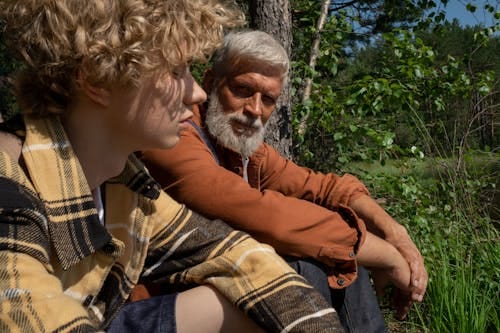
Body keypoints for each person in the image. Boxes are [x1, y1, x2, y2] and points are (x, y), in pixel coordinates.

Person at [0, 2, 345, 332]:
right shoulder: (9, 186)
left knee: (257, 301)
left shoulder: (125, 185)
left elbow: (238, 254)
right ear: (97, 79)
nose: (196, 93)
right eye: (176, 71)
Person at [141, 30, 429, 332]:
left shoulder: (244, 150)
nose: (254, 109)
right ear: (212, 83)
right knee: (306, 265)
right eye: (242, 90)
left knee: (328, 258)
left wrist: (395, 233)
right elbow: (259, 215)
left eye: (267, 99)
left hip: (214, 286)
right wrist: (384, 256)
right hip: (163, 305)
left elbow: (328, 187)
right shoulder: (174, 134)